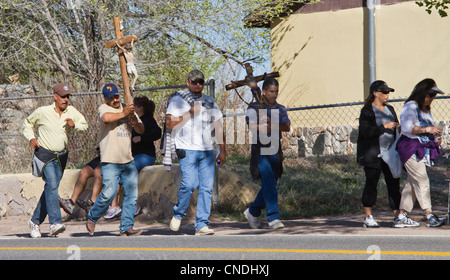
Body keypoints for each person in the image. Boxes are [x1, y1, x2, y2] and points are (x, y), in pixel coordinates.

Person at [23, 83, 88, 238]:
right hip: (44, 154)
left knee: (49, 190)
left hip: (61, 156)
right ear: (55, 96)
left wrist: (75, 125)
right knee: (52, 185)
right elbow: (27, 123)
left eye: (67, 97)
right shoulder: (43, 111)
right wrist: (31, 137)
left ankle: (34, 222)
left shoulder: (71, 112)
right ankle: (55, 223)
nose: (66, 99)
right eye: (63, 96)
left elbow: (84, 125)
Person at [165, 70, 226, 235]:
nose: (198, 85)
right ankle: (178, 212)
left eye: (200, 82)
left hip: (207, 151)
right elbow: (169, 124)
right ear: (188, 82)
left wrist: (222, 150)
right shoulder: (178, 100)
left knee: (206, 188)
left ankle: (201, 225)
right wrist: (189, 113)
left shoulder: (209, 101)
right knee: (190, 183)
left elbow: (218, 126)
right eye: (194, 82)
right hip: (187, 149)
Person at [86, 83, 144, 236]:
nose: (115, 99)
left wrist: (135, 123)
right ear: (105, 98)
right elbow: (106, 119)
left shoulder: (127, 108)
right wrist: (124, 113)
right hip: (110, 160)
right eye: (111, 97)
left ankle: (126, 227)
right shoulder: (104, 108)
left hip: (128, 160)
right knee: (109, 193)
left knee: (131, 195)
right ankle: (92, 217)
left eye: (117, 96)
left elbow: (141, 129)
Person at [394, 78, 445, 228]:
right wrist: (427, 130)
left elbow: (430, 127)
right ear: (422, 92)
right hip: (410, 147)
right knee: (422, 180)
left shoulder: (426, 109)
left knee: (412, 183)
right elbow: (407, 128)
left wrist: (435, 137)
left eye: (434, 96)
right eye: (430, 95)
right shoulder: (411, 106)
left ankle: (401, 216)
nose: (432, 99)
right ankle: (429, 214)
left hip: (421, 148)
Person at [243, 77, 290, 230]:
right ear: (263, 91)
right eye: (271, 91)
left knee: (272, 184)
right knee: (269, 183)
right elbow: (250, 125)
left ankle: (253, 211)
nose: (274, 95)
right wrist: (260, 127)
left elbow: (286, 127)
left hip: (275, 149)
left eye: (276, 91)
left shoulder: (280, 108)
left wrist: (273, 125)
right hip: (261, 149)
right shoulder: (254, 106)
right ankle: (273, 217)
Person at [104, 95, 161, 219]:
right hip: (129, 155)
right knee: (116, 172)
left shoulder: (147, 119)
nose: (132, 107)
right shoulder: (130, 119)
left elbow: (157, 133)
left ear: (141, 108)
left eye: (134, 105)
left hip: (145, 155)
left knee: (129, 171)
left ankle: (132, 204)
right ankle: (114, 207)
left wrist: (141, 138)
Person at [356, 80, 401, 228]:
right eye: (384, 92)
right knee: (371, 184)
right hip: (373, 154)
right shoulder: (367, 111)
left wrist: (397, 128)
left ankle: (397, 216)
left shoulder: (390, 109)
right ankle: (368, 216)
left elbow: (396, 126)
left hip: (390, 153)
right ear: (375, 93)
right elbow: (365, 131)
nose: (387, 94)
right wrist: (383, 127)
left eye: (388, 92)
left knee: (393, 184)